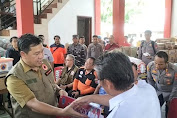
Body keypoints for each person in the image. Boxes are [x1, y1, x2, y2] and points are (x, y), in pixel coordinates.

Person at [5, 34, 87, 118]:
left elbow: (51, 84)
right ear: (23, 54)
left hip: (53, 114)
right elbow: (33, 104)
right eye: (36, 53)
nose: (41, 56)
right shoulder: (14, 77)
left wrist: (59, 90)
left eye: (42, 51)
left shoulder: (44, 63)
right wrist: (62, 112)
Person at [73, 50, 161, 118]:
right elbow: (120, 98)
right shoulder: (147, 88)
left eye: (99, 80)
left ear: (108, 83)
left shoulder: (117, 114)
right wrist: (90, 98)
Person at [147, 51, 177, 117]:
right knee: (153, 109)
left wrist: (171, 100)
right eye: (156, 63)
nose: (157, 66)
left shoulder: (174, 69)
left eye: (160, 64)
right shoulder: (150, 66)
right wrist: (152, 94)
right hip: (158, 91)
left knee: (170, 112)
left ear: (166, 63)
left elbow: (175, 86)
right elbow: (150, 81)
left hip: (171, 92)